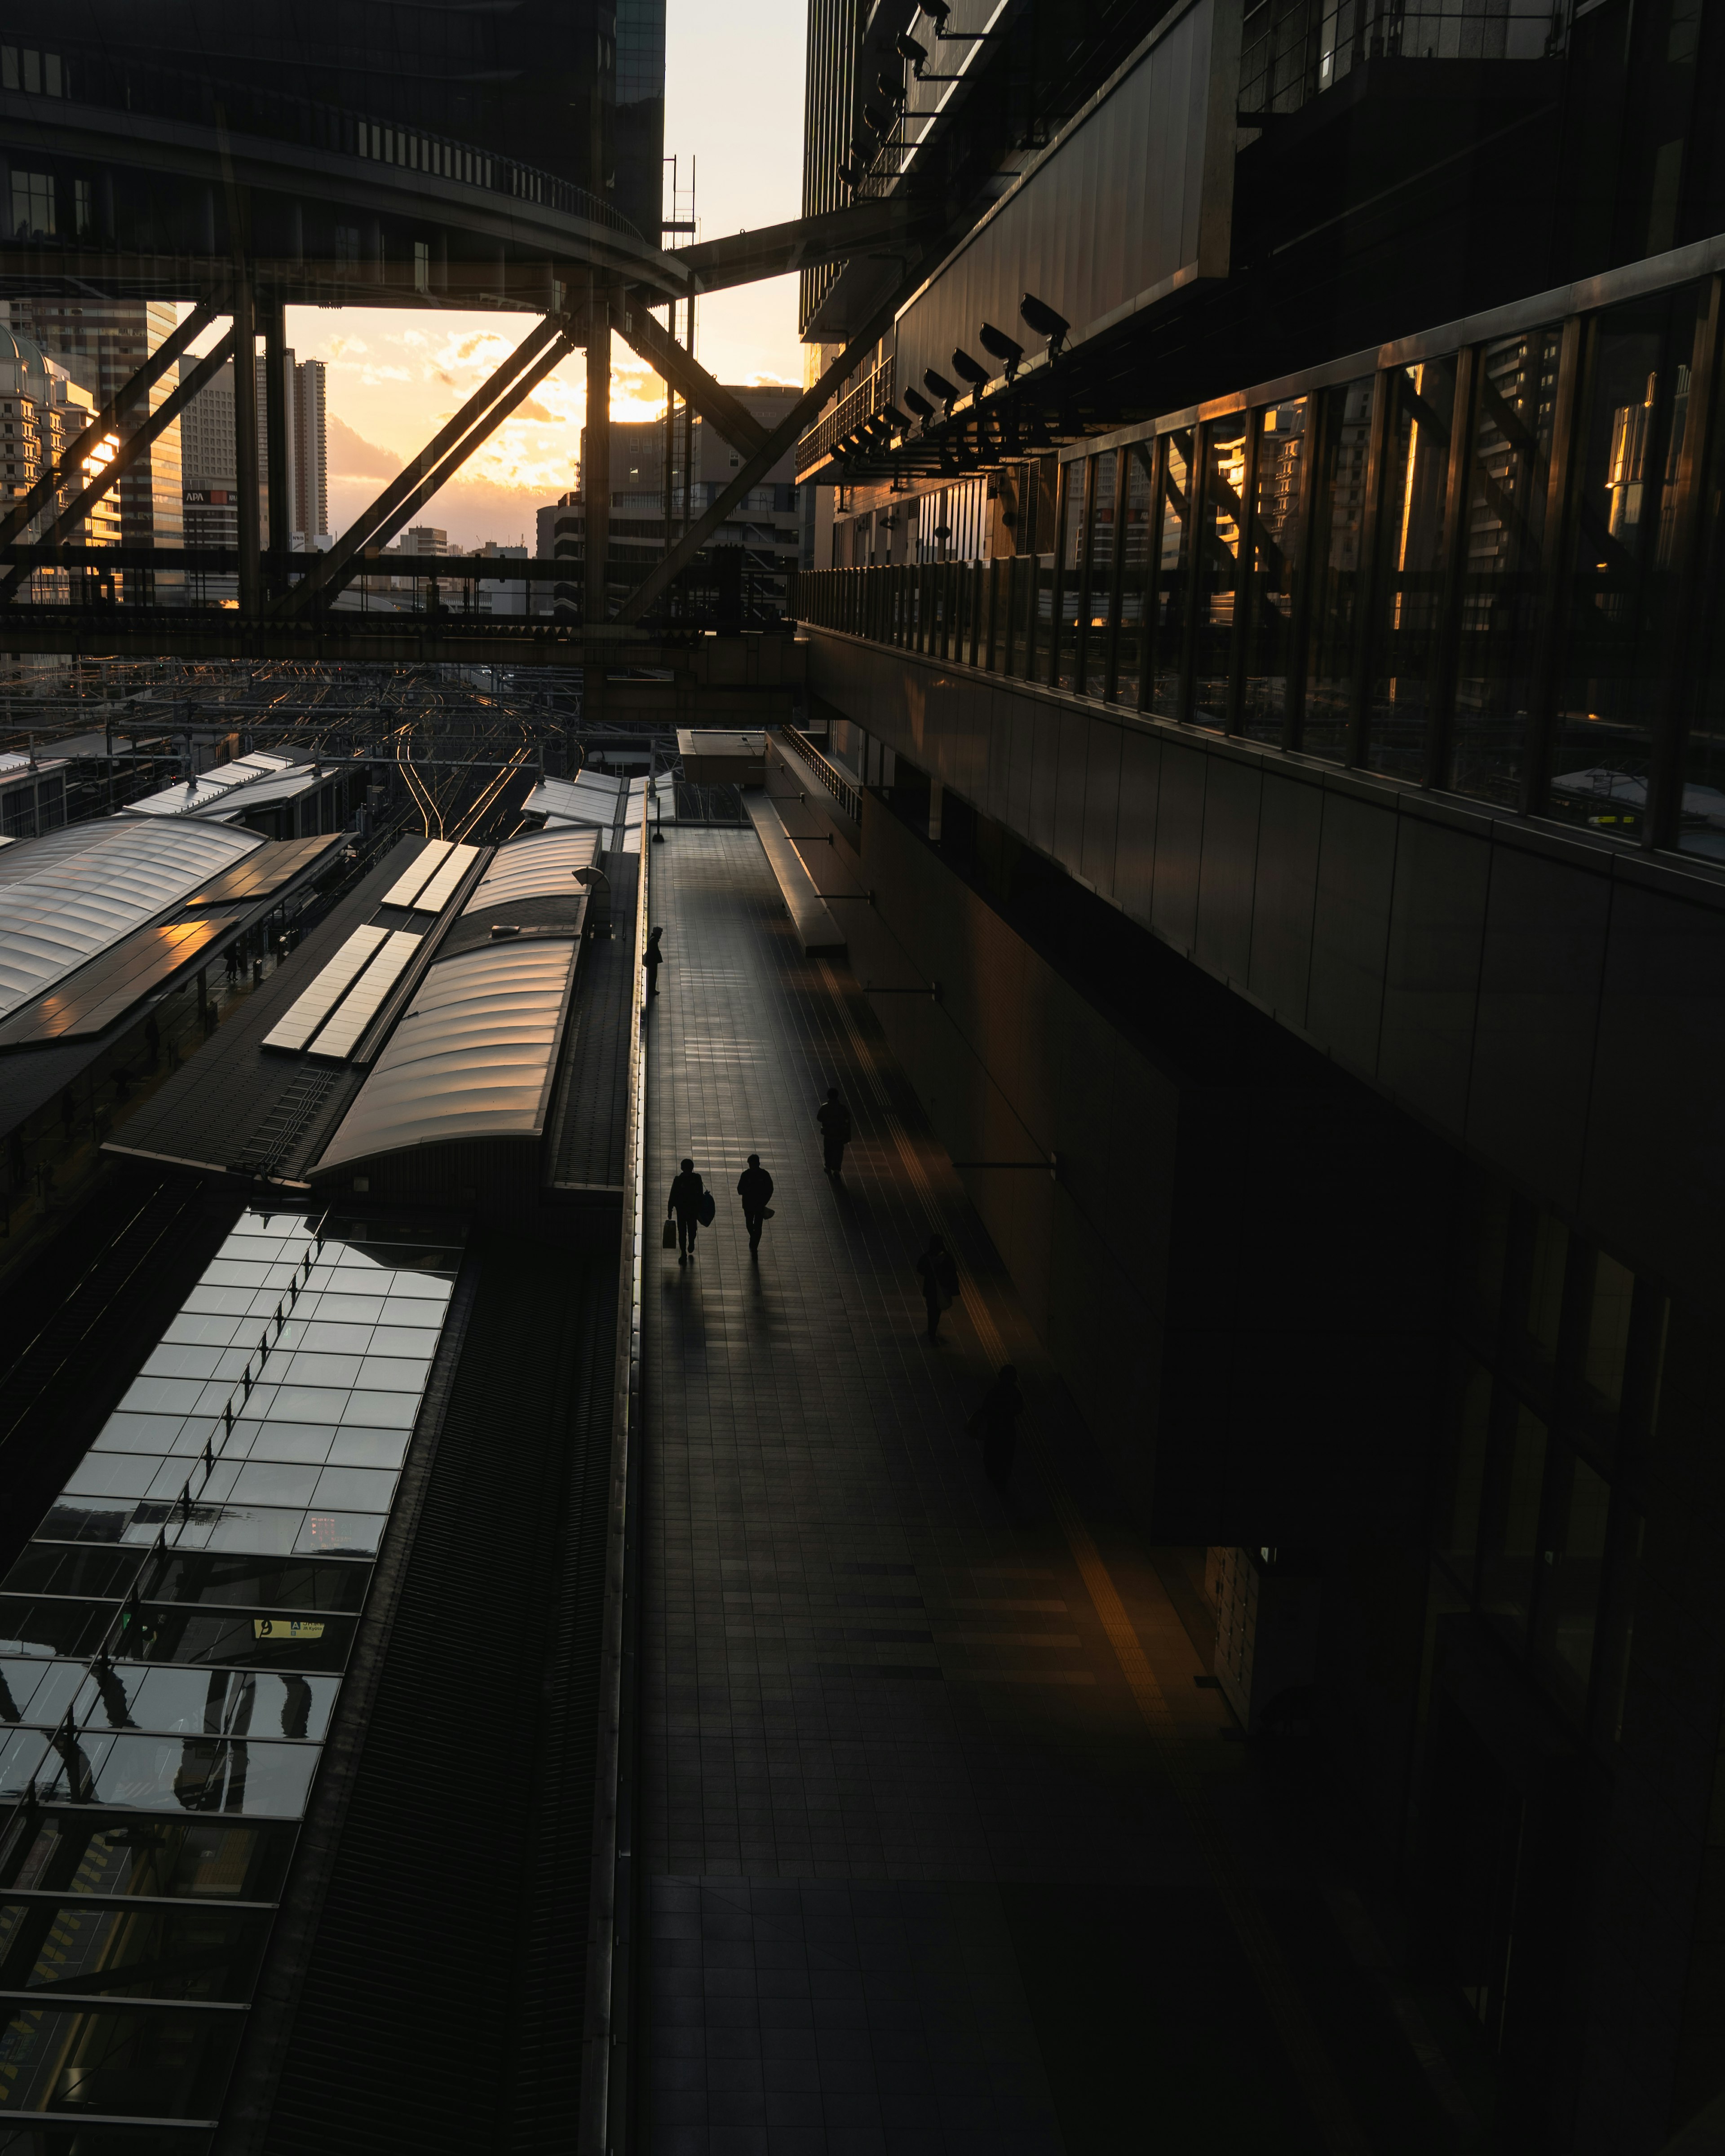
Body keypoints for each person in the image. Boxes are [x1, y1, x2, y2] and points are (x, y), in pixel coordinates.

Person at [970, 1365, 1025, 1491]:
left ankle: (991, 1471)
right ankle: (1003, 1477)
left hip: (994, 1427)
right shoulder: (1015, 1392)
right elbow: (1019, 1409)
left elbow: (985, 1407)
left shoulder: (995, 1391)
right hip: (1008, 1428)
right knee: (1007, 1453)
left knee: (991, 1450)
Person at [916, 1233, 959, 1342]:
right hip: (942, 1288)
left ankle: (931, 1331)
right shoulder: (946, 1258)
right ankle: (933, 1333)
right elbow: (952, 1274)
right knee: (937, 1311)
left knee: (931, 1310)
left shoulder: (927, 1257)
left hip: (930, 1289)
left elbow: (920, 1268)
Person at [667, 1157, 704, 1262]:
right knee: (683, 1231)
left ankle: (690, 1243)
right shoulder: (681, 1180)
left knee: (690, 1230)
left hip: (688, 1210)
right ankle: (684, 1251)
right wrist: (670, 1209)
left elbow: (673, 1196)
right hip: (685, 1210)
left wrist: (670, 1209)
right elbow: (673, 1195)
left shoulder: (693, 1179)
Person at [737, 1154, 774, 1254]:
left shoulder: (764, 1175)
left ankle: (754, 1243)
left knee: (758, 1226)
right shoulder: (746, 1175)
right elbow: (740, 1190)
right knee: (749, 1224)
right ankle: (754, 1239)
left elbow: (770, 1189)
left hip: (759, 1205)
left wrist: (764, 1201)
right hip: (749, 1205)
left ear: (758, 1164)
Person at [817, 1087, 851, 1177]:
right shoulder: (842, 1108)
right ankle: (837, 1169)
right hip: (839, 1134)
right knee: (839, 1151)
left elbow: (819, 1118)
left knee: (828, 1150)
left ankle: (828, 1166)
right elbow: (848, 1118)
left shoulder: (825, 1107)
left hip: (828, 1134)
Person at [642, 924, 664, 997]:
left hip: (652, 961)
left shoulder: (653, 939)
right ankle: (652, 990)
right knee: (653, 976)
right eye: (660, 933)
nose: (661, 935)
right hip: (652, 962)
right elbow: (652, 952)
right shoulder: (654, 940)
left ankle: (652, 990)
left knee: (653, 976)